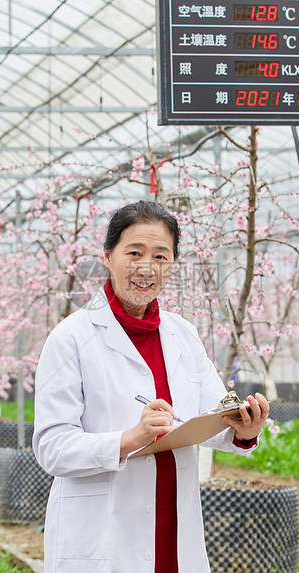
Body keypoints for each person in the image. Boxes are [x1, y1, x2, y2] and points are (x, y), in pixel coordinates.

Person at [33, 200, 270, 573]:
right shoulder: (70, 339)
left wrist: (243, 429)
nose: (147, 268)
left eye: (161, 256)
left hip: (173, 530)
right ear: (108, 257)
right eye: (134, 253)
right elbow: (52, 448)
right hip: (105, 533)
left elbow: (211, 415)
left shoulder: (182, 335)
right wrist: (130, 439)